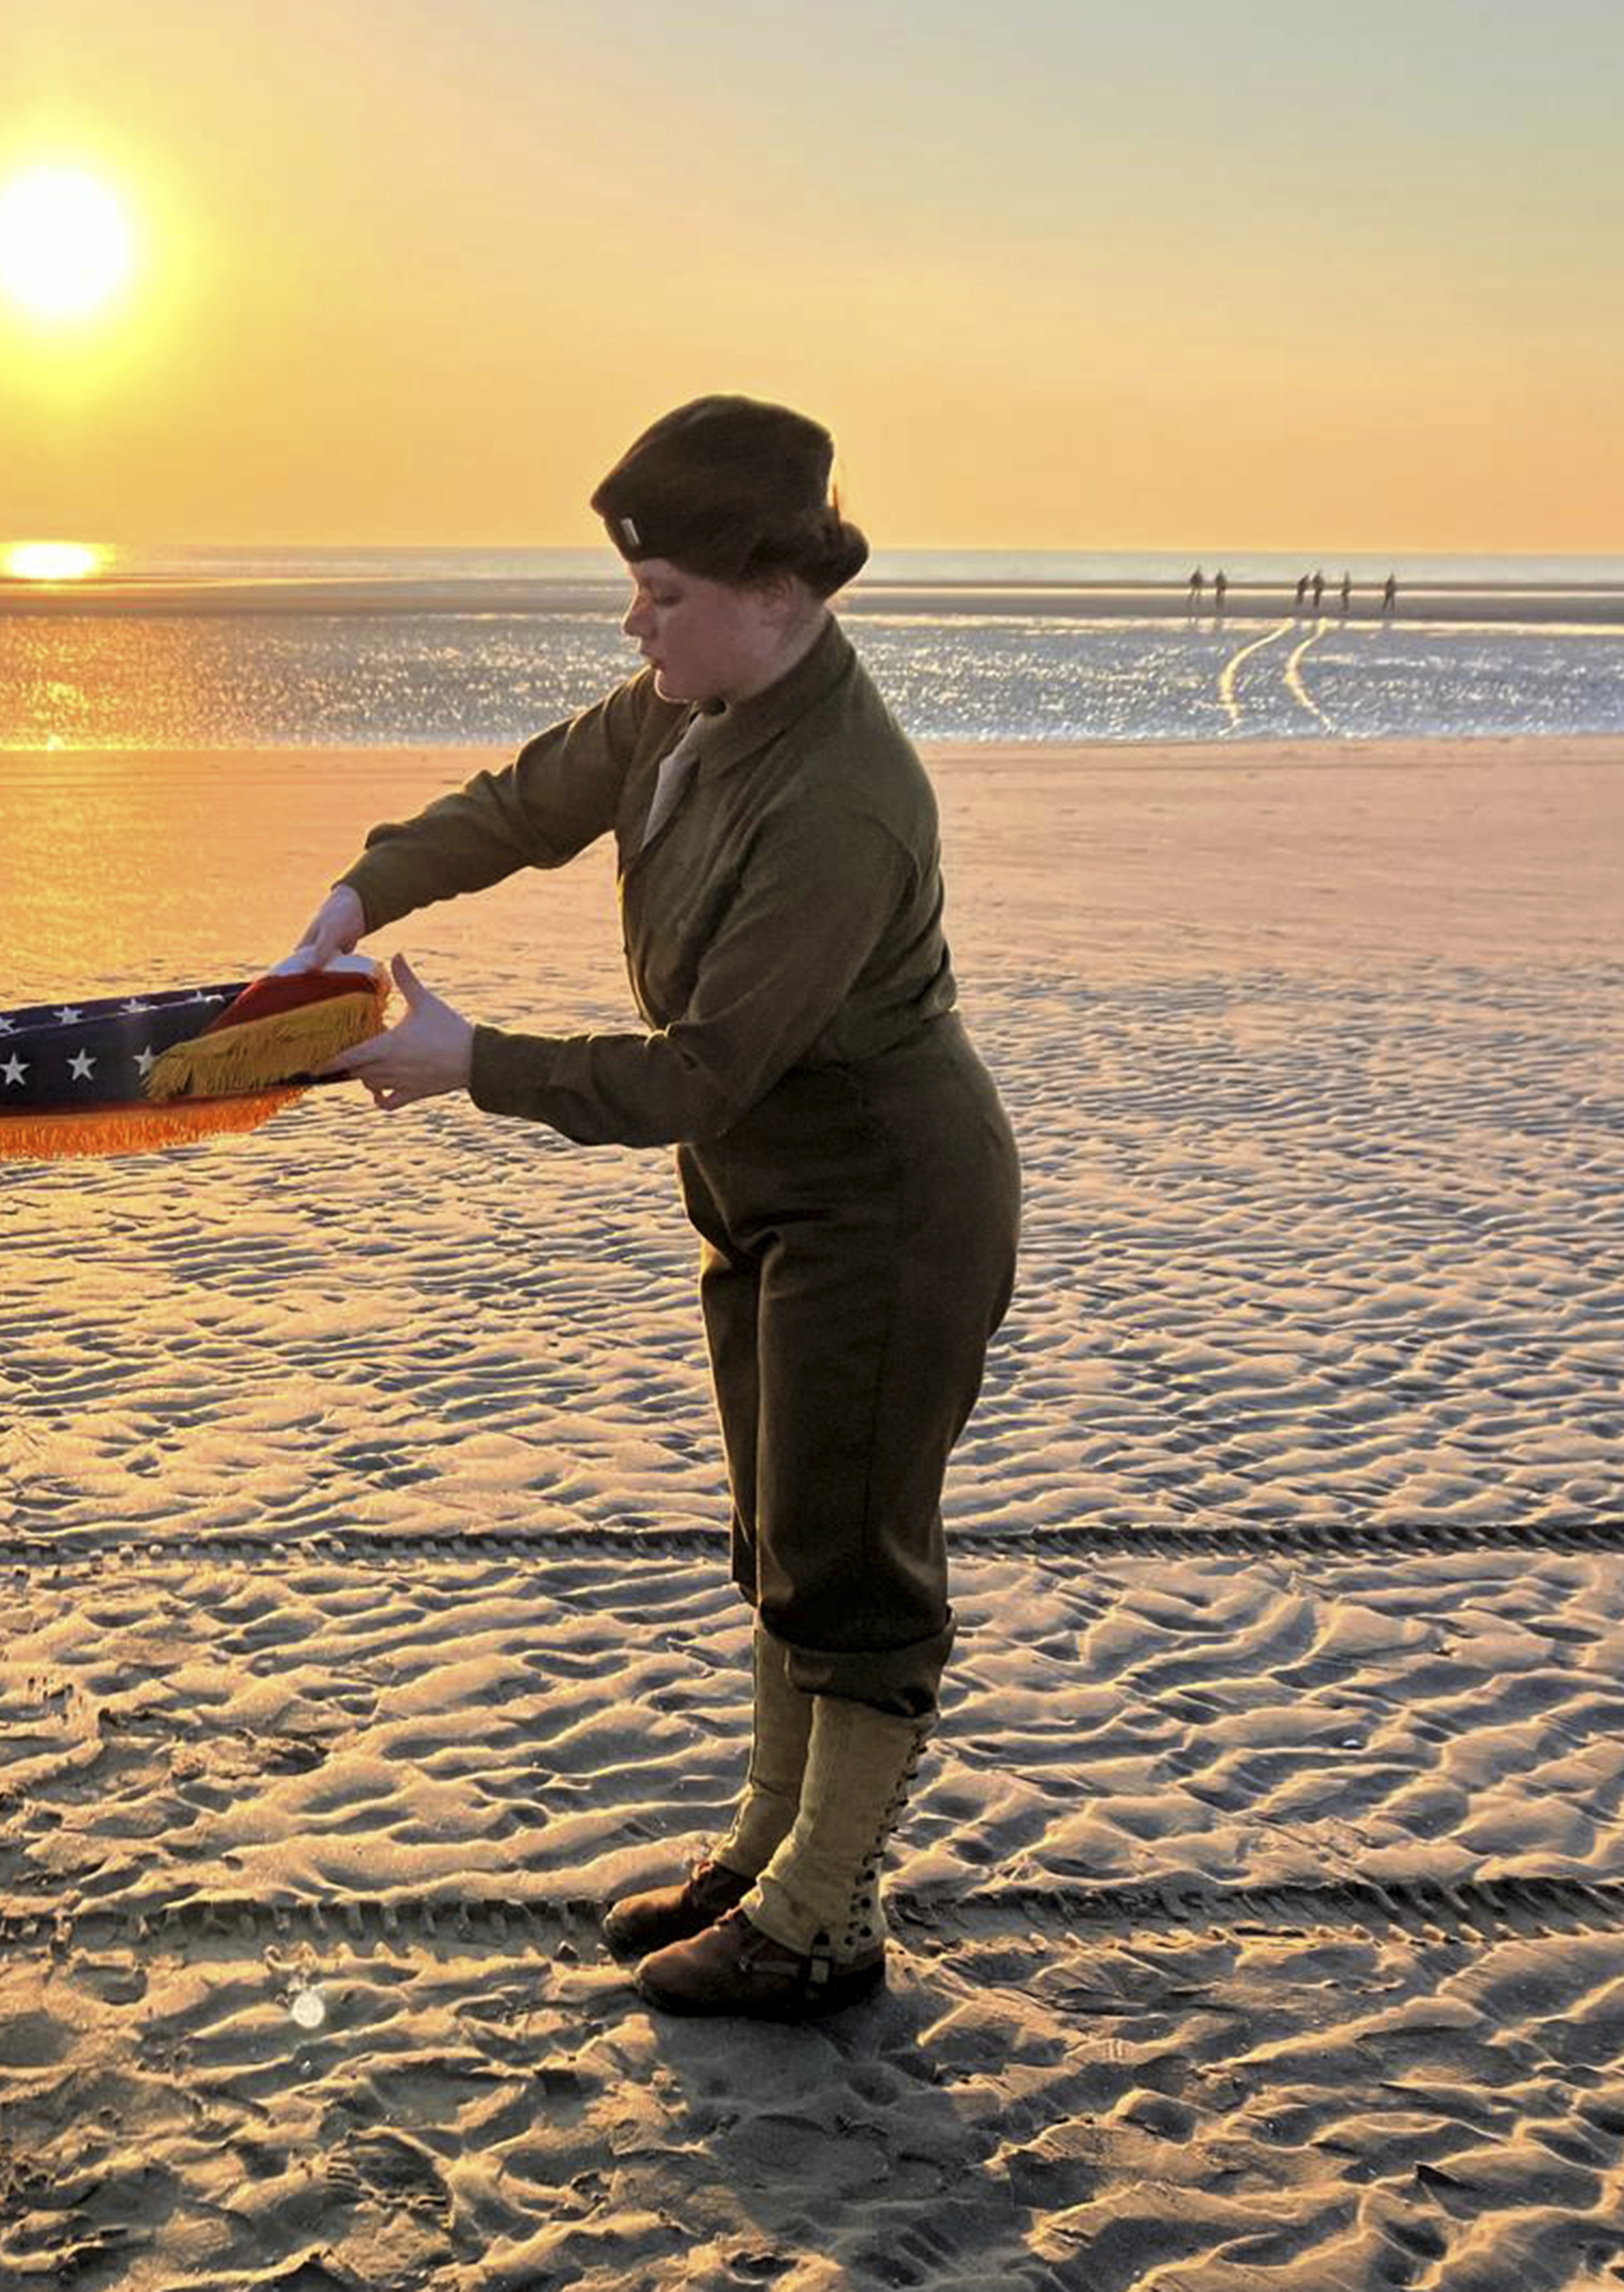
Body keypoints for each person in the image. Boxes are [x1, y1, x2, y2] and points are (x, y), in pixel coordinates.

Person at [285, 398, 1018, 2021]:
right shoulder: (688, 707)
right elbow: (530, 801)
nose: (636, 619)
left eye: (665, 591)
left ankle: (824, 1920)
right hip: (766, 1202)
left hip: (886, 1207)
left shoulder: (843, 796)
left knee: (854, 1562)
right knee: (778, 1533)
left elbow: (702, 1074)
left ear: (779, 588)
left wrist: (468, 1059)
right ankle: (768, 1853)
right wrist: (361, 896)